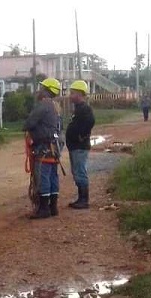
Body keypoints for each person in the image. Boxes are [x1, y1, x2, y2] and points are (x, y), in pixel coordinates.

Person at [23, 78, 62, 219]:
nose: (39, 91)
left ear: (46, 90)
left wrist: (27, 128)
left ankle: (44, 208)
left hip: (44, 147)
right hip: (54, 147)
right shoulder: (55, 106)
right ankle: (53, 207)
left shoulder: (43, 105)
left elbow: (29, 123)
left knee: (43, 177)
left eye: (41, 88)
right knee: (52, 176)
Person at [66, 80, 95, 209]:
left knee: (80, 171)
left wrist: (81, 136)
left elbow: (90, 122)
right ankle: (81, 198)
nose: (70, 96)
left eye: (72, 93)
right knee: (76, 172)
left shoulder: (84, 108)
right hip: (74, 146)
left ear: (79, 94)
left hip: (79, 146)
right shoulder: (78, 108)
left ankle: (84, 200)